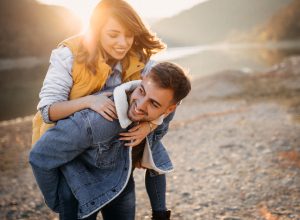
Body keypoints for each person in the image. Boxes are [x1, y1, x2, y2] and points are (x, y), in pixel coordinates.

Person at [31, 0, 169, 219]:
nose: (123, 43)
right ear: (96, 31)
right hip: (75, 164)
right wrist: (89, 101)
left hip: (116, 162)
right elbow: (48, 110)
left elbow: (170, 94)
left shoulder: (139, 59)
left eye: (129, 35)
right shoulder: (68, 55)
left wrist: (149, 126)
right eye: (113, 35)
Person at [29, 62, 191, 220]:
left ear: (170, 108)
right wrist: (57, 202)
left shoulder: (165, 115)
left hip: (121, 184)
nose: (140, 106)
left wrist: (149, 126)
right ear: (142, 79)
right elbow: (40, 156)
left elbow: (155, 155)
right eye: (141, 91)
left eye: (154, 104)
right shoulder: (96, 120)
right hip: (79, 194)